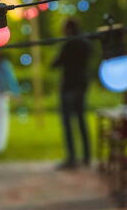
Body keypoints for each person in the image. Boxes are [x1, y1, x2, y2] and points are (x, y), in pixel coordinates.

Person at [53, 18, 92, 170]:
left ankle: (72, 158)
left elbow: (56, 63)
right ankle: (86, 156)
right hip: (81, 85)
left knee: (68, 123)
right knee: (81, 121)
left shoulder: (69, 44)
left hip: (69, 86)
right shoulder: (85, 42)